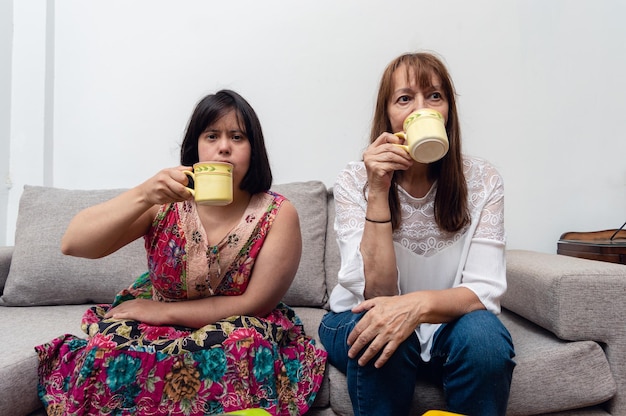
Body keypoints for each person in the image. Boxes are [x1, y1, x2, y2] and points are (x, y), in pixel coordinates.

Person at [36, 89, 327, 416]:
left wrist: (162, 312)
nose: (224, 147)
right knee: (107, 350)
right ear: (195, 149)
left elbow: (253, 304)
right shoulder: (164, 202)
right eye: (212, 136)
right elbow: (73, 243)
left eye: (237, 137)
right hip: (154, 322)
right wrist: (144, 193)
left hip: (236, 322)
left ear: (253, 149)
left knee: (245, 344)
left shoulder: (278, 212)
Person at [318, 52, 516, 416]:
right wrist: (378, 190)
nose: (419, 110)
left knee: (485, 338)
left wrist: (415, 307)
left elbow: (482, 291)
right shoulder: (353, 180)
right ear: (388, 115)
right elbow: (375, 295)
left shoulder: (484, 181)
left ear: (448, 113)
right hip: (356, 315)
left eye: (434, 97)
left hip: (447, 325)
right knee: (380, 331)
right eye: (405, 98)